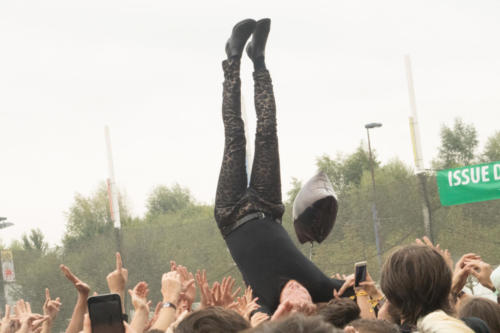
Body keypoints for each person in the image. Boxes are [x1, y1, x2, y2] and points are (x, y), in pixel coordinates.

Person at [213, 18, 350, 315]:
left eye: (295, 303)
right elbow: (361, 291)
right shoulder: (320, 286)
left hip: (229, 214)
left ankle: (233, 59)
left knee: (235, 136)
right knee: (268, 132)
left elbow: (252, 319)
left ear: (285, 308)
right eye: (306, 299)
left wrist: (269, 317)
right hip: (267, 206)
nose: (300, 294)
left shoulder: (264, 301)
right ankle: (258, 60)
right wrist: (359, 283)